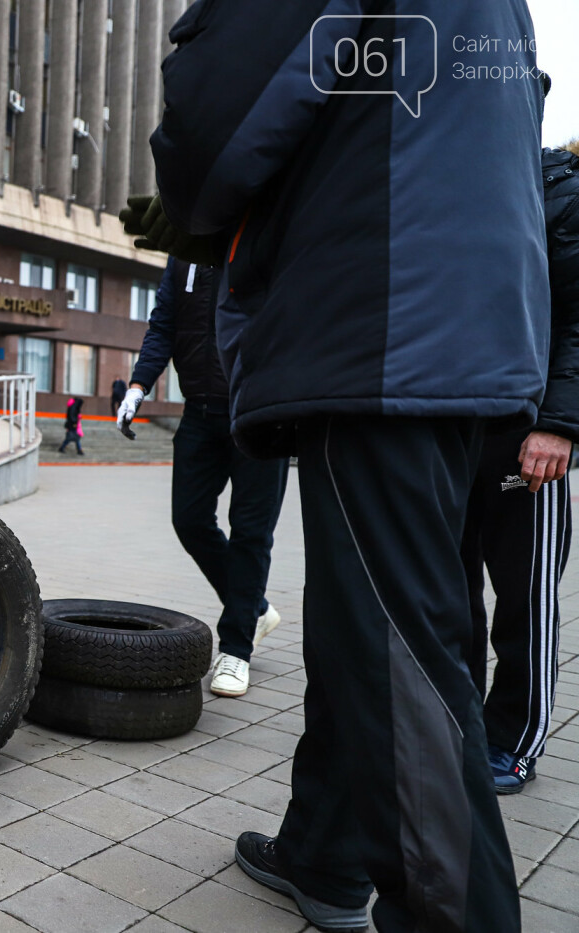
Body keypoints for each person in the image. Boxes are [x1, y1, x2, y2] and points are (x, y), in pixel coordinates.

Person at [147, 2, 548, 931]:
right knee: (365, 623)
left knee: (400, 662)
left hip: (381, 325)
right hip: (461, 320)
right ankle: (325, 855)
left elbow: (208, 140)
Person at [462, 138, 579, 795]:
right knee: (447, 593)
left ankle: (513, 739)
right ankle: (455, 719)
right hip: (447, 425)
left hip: (526, 431)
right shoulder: (448, 173)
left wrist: (558, 424)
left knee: (524, 597)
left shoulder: (560, 190)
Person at [117, 257, 288, 697]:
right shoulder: (184, 257)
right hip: (200, 411)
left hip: (259, 410)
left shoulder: (266, 240)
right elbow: (163, 326)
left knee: (251, 532)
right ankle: (255, 607)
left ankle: (236, 649)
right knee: (189, 518)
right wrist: (138, 387)